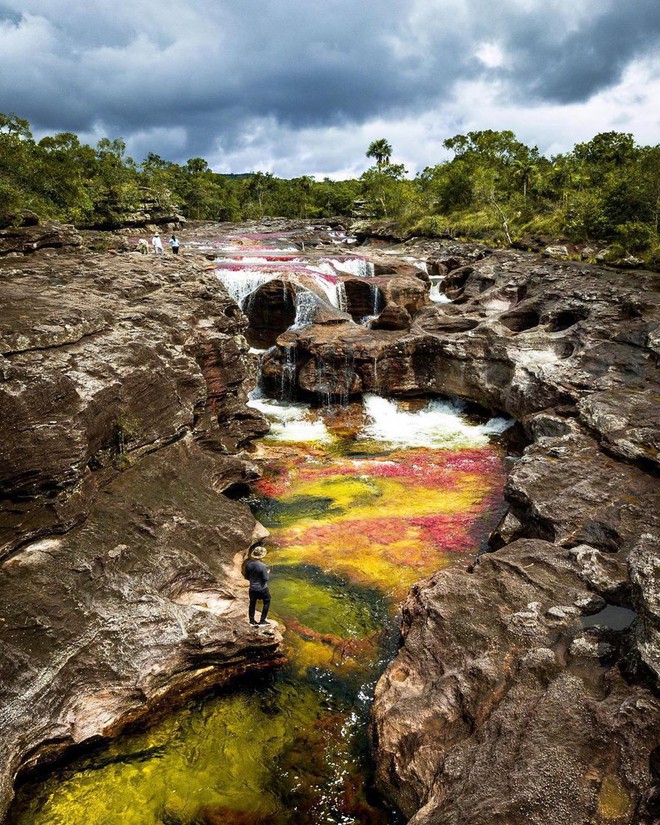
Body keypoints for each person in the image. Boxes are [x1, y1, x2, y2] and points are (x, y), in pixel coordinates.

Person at [243, 545, 271, 625]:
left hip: (252, 588)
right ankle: (262, 620)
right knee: (267, 601)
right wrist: (267, 573)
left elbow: (246, 576)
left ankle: (251, 621)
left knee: (252, 603)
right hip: (262, 588)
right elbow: (266, 579)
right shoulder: (262, 566)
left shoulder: (248, 563)